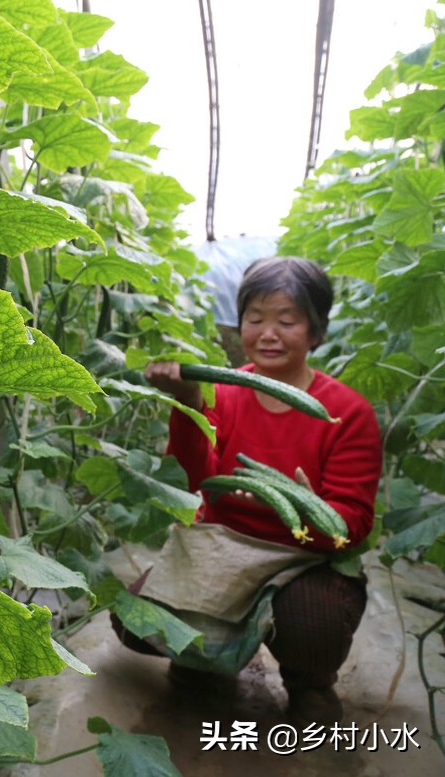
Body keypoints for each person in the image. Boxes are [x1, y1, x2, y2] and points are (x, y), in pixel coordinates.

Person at [113, 256, 382, 725]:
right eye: (255, 319)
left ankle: (310, 684)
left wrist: (297, 509)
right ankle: (206, 662)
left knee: (312, 621)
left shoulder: (348, 411)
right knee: (135, 620)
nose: (268, 333)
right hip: (225, 545)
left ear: (316, 332)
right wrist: (188, 401)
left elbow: (352, 524)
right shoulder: (223, 393)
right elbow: (194, 481)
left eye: (287, 320)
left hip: (305, 559)